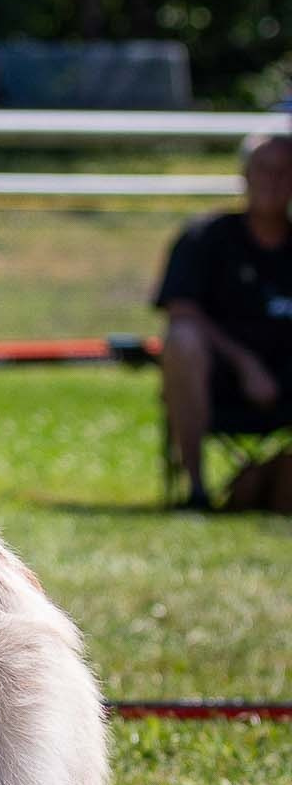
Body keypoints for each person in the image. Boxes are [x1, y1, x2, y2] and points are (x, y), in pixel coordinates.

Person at [153, 130, 292, 510]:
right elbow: (180, 308)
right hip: (218, 381)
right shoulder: (205, 239)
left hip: (286, 376)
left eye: (284, 172)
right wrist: (245, 363)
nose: (273, 181)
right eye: (264, 170)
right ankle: (196, 490)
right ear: (244, 176)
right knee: (182, 340)